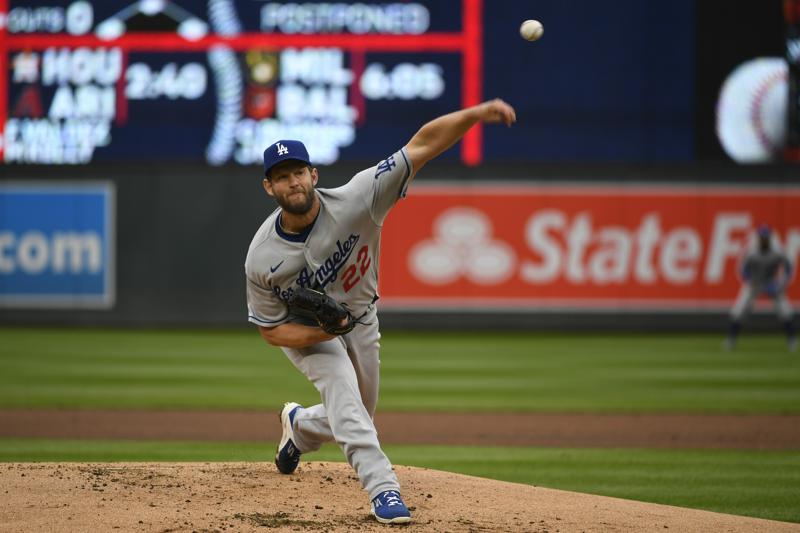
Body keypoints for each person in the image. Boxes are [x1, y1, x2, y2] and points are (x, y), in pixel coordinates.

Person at [244, 99, 516, 524]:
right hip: (307, 332)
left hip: (363, 316)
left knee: (358, 415)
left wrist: (476, 115)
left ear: (313, 175)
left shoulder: (358, 197)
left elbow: (421, 145)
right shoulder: (262, 259)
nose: (292, 182)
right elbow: (271, 332)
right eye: (281, 177)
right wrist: (324, 333)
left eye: (298, 172)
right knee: (344, 396)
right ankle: (384, 489)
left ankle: (300, 427)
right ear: (269, 188)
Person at [725, 224, 797, 351]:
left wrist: (780, 283)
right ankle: (731, 339)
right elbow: (742, 269)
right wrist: (749, 281)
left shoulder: (778, 250)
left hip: (771, 282)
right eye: (762, 237)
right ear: (758, 237)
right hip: (754, 282)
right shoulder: (751, 250)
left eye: (766, 237)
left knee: (785, 310)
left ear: (770, 237)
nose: (764, 240)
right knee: (739, 309)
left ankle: (792, 340)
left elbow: (789, 268)